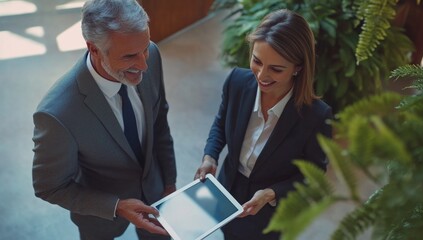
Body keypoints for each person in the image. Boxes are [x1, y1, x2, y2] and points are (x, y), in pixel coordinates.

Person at [32, 0, 176, 239]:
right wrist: (116, 206)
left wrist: (169, 185)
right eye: (130, 56)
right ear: (94, 49)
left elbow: (160, 122)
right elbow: (50, 186)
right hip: (99, 218)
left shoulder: (152, 54)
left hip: (157, 193)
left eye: (144, 49)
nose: (143, 64)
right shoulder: (57, 114)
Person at [194, 9, 333, 240]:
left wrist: (271, 194)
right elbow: (221, 123)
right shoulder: (236, 82)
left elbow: (313, 175)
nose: (261, 75)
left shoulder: (317, 117)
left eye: (276, 69)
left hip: (270, 212)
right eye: (257, 61)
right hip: (227, 189)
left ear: (298, 67)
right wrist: (210, 156)